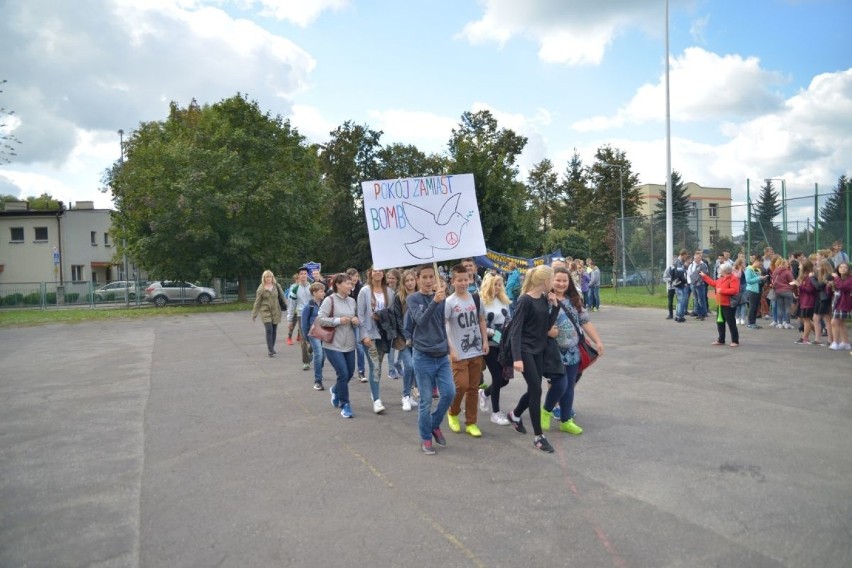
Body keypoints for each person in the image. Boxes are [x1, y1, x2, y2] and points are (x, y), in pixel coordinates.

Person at [542, 267, 604, 435]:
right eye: (557, 280)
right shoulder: (544, 299)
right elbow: (537, 324)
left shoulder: (575, 300)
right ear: (550, 281)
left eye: (564, 280)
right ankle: (546, 410)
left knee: (569, 387)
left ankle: (565, 420)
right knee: (559, 385)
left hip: (573, 350)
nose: (561, 283)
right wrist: (548, 332)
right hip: (553, 352)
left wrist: (598, 341)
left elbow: (585, 322)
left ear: (569, 282)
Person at [506, 265, 560, 453]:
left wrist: (555, 306)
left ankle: (515, 414)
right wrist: (517, 357)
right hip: (525, 350)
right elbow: (515, 331)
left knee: (534, 388)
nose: (554, 283)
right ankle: (539, 436)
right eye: (552, 279)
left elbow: (547, 326)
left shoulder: (544, 299)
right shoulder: (525, 300)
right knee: (536, 389)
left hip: (539, 349)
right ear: (545, 281)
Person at [407, 264, 454, 455]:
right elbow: (421, 321)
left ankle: (434, 424)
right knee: (426, 400)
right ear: (418, 279)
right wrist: (435, 301)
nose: (428, 281)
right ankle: (426, 438)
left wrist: (449, 346)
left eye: (430, 277)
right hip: (423, 355)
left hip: (441, 354)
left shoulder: (443, 299)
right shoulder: (413, 299)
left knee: (449, 393)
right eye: (424, 277)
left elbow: (444, 325)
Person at [445, 264, 489, 438]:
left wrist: (485, 341)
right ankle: (453, 412)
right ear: (453, 281)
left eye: (466, 279)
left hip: (476, 350)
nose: (463, 283)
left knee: (473, 388)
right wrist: (451, 349)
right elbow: (444, 325)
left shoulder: (476, 299)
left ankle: (471, 422)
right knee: (460, 385)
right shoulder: (449, 302)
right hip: (459, 352)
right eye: (460, 280)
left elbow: (482, 321)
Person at [319, 274, 360, 418]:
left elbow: (356, 317)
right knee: (342, 373)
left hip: (349, 343)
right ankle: (345, 404)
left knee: (349, 374)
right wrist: (337, 320)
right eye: (348, 283)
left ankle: (336, 390)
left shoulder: (352, 301)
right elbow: (320, 319)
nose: (351, 286)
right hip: (332, 344)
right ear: (338, 284)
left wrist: (355, 320)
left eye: (351, 283)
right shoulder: (329, 300)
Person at [357, 266, 395, 414]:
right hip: (369, 335)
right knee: (375, 366)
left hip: (383, 335)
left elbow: (391, 313)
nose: (378, 272)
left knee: (377, 366)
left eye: (380, 270)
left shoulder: (389, 292)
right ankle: (377, 400)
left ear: (383, 273)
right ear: (370, 273)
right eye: (375, 270)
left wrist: (382, 317)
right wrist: (364, 334)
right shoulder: (365, 291)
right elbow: (360, 314)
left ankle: (374, 393)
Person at [478, 273, 512, 426]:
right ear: (488, 284)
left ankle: (484, 393)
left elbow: (509, 319)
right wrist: (496, 334)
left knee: (505, 379)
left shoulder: (504, 300)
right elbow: (480, 323)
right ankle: (496, 412)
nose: (498, 287)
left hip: (504, 343)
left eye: (500, 284)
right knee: (497, 377)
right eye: (495, 284)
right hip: (489, 343)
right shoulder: (481, 301)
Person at [393, 269, 420, 410]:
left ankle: (409, 395)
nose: (410, 283)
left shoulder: (420, 296)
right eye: (407, 281)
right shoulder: (399, 297)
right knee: (409, 365)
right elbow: (397, 318)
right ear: (403, 283)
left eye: (412, 280)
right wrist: (406, 334)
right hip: (402, 338)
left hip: (418, 338)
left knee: (415, 367)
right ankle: (405, 396)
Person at [701, 263, 740, 347]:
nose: (719, 271)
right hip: (720, 304)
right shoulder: (721, 279)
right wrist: (704, 276)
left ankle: (735, 340)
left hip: (728, 305)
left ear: (725, 271)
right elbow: (713, 283)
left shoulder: (733, 279)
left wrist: (722, 290)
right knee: (720, 322)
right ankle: (721, 339)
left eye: (721, 269)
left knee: (731, 323)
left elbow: (735, 290)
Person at [251, 270, 285, 357]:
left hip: (276, 310)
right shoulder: (261, 288)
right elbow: (257, 302)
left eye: (270, 277)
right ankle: (270, 349)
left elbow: (282, 297)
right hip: (265, 311)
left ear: (272, 278)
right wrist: (254, 314)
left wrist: (288, 307)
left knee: (274, 330)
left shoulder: (277, 286)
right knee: (269, 329)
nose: (268, 278)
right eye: (267, 277)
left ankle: (272, 347)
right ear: (264, 278)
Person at [301, 282, 327, 390]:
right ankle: (318, 380)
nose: (323, 293)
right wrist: (306, 337)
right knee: (319, 353)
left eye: (323, 291)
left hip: (324, 333)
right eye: (321, 291)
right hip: (313, 333)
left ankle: (318, 369)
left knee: (323, 356)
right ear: (314, 293)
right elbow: (303, 323)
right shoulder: (309, 306)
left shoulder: (325, 304)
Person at [287, 267, 313, 371]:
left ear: (307, 275)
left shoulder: (312, 287)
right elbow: (292, 305)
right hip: (301, 315)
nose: (303, 275)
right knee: (303, 340)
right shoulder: (294, 289)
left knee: (314, 338)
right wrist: (289, 319)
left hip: (312, 315)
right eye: (301, 274)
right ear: (298, 276)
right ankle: (306, 362)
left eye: (305, 273)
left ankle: (311, 350)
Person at [345, 268, 367, 382]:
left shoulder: (361, 288)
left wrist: (358, 317)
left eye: (356, 276)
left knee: (359, 347)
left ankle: (361, 371)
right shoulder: (344, 288)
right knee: (347, 346)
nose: (355, 278)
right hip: (345, 320)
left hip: (357, 320)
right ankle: (346, 371)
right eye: (352, 276)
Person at [828, 261, 852, 350]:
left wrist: (837, 278)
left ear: (849, 269)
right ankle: (845, 343)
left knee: (834, 322)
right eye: (841, 267)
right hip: (836, 302)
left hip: (844, 303)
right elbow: (831, 291)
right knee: (841, 323)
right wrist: (829, 286)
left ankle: (835, 342)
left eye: (845, 267)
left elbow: (843, 287)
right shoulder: (838, 279)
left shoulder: (850, 279)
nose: (843, 269)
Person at [792, 260, 816, 345]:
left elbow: (810, 289)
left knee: (806, 319)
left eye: (800, 265)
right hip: (803, 299)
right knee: (802, 318)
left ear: (804, 267)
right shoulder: (803, 276)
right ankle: (817, 331)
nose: (799, 267)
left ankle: (805, 338)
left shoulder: (809, 277)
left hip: (808, 300)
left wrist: (799, 286)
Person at [812, 260, 835, 347]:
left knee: (826, 319)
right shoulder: (820, 275)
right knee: (815, 318)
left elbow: (819, 286)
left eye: (818, 266)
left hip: (825, 298)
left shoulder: (828, 275)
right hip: (820, 298)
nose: (817, 268)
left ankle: (830, 340)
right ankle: (817, 339)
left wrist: (812, 278)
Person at [770, 259, 795, 329]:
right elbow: (792, 282)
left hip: (778, 291)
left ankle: (780, 323)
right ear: (784, 264)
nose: (788, 265)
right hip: (787, 291)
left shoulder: (775, 271)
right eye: (787, 264)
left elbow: (772, 280)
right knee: (787, 308)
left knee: (779, 307)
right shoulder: (787, 272)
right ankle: (787, 323)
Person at [745, 257, 767, 329]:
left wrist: (763, 279)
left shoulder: (758, 270)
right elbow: (748, 280)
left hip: (758, 290)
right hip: (751, 291)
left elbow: (758, 281)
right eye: (760, 264)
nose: (760, 265)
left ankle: (753, 323)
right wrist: (759, 278)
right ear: (756, 261)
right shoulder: (748, 269)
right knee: (752, 307)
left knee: (755, 307)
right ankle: (750, 323)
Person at [687, 252, 708, 320]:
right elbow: (689, 274)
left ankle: (703, 313)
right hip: (693, 284)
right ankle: (698, 312)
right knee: (696, 299)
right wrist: (690, 283)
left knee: (701, 299)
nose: (696, 259)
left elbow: (704, 275)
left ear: (700, 258)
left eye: (698, 258)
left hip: (700, 285)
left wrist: (699, 282)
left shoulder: (703, 265)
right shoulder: (691, 265)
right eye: (695, 258)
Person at [673, 249, 690, 322]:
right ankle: (679, 316)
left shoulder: (678, 262)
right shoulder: (679, 262)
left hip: (678, 283)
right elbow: (680, 274)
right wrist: (685, 282)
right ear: (683, 254)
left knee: (679, 300)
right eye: (686, 255)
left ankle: (678, 315)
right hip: (680, 284)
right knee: (681, 300)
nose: (686, 257)